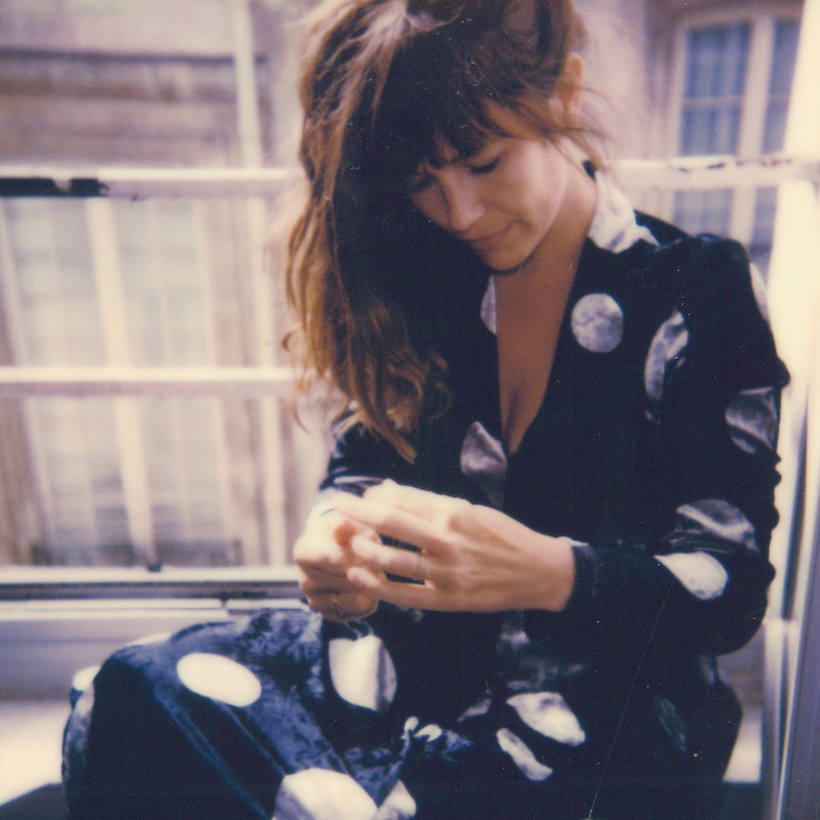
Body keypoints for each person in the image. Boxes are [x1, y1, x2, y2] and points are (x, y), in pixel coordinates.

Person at [62, 0, 788, 817]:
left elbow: (729, 591)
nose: (460, 212)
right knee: (132, 691)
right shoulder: (427, 265)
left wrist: (553, 573)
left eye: (484, 161)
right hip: (412, 672)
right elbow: (361, 465)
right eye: (421, 182)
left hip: (611, 714)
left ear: (563, 94)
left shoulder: (698, 292)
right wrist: (335, 539)